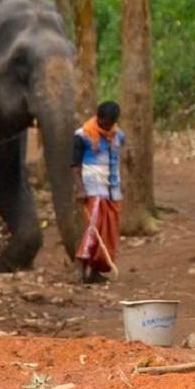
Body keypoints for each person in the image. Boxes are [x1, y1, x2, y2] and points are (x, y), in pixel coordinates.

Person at [72, 101, 124, 285]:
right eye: (104, 122)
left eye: (110, 123)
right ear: (98, 118)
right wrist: (80, 189)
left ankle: (96, 270)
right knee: (93, 229)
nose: (106, 126)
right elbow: (75, 166)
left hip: (113, 190)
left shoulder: (118, 136)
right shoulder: (83, 135)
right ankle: (80, 267)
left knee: (109, 232)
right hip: (93, 189)